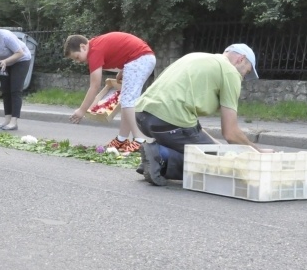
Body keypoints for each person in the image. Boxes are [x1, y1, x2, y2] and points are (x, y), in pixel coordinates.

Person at [134, 44, 272, 186]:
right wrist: (257, 153)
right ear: (241, 59)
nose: (243, 77)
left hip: (143, 116)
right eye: (247, 72)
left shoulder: (197, 57)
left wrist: (216, 145)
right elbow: (231, 133)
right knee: (218, 163)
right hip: (168, 122)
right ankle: (161, 154)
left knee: (211, 149)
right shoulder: (231, 72)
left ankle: (153, 161)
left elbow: (192, 129)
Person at [64, 32, 156, 152]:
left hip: (140, 59)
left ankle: (139, 140)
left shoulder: (94, 52)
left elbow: (94, 86)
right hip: (140, 58)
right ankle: (122, 139)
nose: (78, 61)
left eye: (77, 57)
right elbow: (123, 49)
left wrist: (81, 110)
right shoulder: (95, 46)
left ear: (83, 47)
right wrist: (123, 70)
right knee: (126, 101)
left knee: (128, 101)